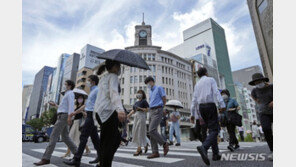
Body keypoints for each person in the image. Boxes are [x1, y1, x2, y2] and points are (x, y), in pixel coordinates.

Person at [34, 80, 77, 166]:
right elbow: (63, 107)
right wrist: (55, 105)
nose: (64, 86)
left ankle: (46, 158)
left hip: (63, 117)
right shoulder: (67, 94)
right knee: (65, 137)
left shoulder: (70, 93)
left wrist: (70, 117)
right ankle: (77, 154)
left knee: (53, 136)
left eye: (65, 84)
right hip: (63, 115)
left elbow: (71, 106)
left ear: (69, 86)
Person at [190, 67, 226, 166]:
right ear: (206, 73)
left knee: (211, 130)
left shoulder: (197, 84)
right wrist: (222, 105)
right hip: (210, 105)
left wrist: (192, 114)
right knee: (214, 129)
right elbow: (216, 92)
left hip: (201, 108)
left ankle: (215, 154)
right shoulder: (211, 80)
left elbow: (194, 100)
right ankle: (204, 147)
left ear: (198, 75)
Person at [63, 75, 102, 166]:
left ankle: (77, 159)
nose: (87, 82)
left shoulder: (97, 90)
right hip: (90, 114)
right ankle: (101, 156)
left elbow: (99, 103)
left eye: (88, 80)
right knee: (95, 138)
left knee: (83, 136)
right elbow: (86, 105)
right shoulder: (92, 91)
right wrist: (75, 112)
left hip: (91, 115)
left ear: (93, 81)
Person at [94, 60, 126, 167]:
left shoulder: (103, 77)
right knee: (111, 142)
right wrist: (120, 110)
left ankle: (101, 162)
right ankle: (104, 164)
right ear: (115, 67)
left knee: (110, 140)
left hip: (100, 112)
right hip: (108, 112)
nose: (120, 68)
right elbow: (113, 93)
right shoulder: (113, 76)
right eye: (119, 66)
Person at [249, 73, 273, 161]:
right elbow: (253, 96)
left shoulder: (271, 87)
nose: (258, 83)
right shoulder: (254, 91)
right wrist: (257, 101)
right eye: (256, 82)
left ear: (263, 80)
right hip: (263, 112)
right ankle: (273, 150)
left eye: (259, 81)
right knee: (266, 129)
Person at [144, 76, 169, 159]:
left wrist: (163, 108)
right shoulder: (150, 92)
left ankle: (164, 144)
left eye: (148, 83)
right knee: (151, 133)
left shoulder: (159, 88)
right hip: (151, 111)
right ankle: (155, 152)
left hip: (158, 110)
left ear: (151, 81)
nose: (147, 85)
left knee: (152, 130)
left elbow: (164, 98)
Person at [127, 90, 150, 156]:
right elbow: (133, 110)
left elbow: (147, 109)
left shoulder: (144, 101)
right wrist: (128, 115)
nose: (138, 94)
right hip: (136, 117)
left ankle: (139, 149)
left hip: (142, 116)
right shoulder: (136, 102)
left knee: (139, 132)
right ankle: (145, 144)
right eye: (138, 93)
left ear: (143, 94)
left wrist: (140, 108)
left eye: (140, 93)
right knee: (135, 132)